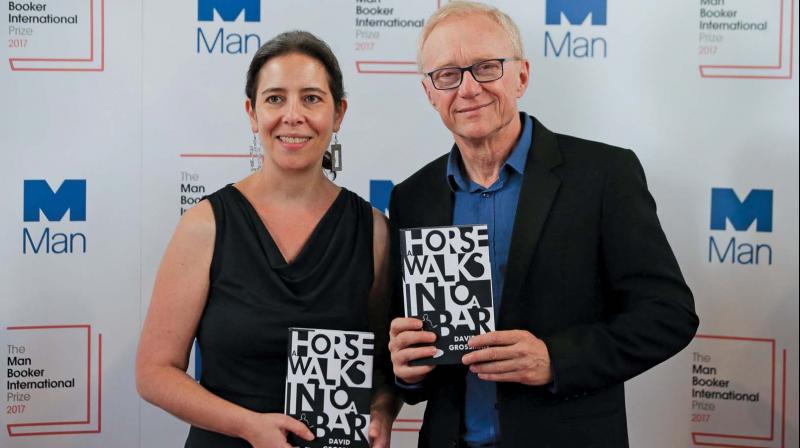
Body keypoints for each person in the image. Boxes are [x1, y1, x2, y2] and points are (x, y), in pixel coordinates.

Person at [386, 2, 699, 447]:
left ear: (522, 75)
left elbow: (669, 316)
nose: (469, 88)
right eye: (448, 75)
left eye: (486, 67)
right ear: (430, 92)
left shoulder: (603, 175)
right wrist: (407, 369)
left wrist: (556, 359)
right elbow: (415, 360)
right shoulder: (412, 197)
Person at [136, 31, 399, 448]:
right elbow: (154, 372)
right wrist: (247, 426)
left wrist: (383, 413)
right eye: (275, 98)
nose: (292, 115)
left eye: (311, 98)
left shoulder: (374, 231)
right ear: (252, 113)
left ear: (338, 113)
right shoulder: (205, 225)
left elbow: (385, 365)